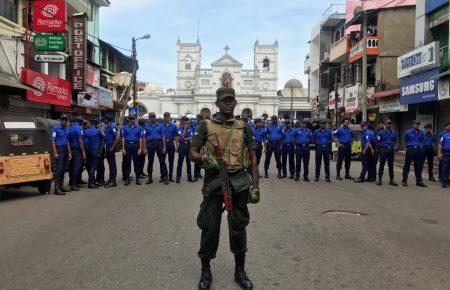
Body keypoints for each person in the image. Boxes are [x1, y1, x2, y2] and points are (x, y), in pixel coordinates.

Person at [189, 87, 260, 290]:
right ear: (217, 103)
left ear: (235, 102)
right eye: (224, 100)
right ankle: (205, 271)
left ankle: (240, 271)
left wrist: (256, 186)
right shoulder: (205, 126)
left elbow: (253, 159)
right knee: (209, 227)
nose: (228, 103)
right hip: (214, 182)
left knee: (238, 227)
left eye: (231, 100)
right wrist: (204, 158)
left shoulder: (243, 126)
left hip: (238, 182)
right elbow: (191, 153)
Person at [142, 113, 168, 185]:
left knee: (162, 161)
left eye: (153, 117)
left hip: (159, 144)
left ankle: (165, 177)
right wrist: (144, 148)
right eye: (151, 117)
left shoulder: (160, 126)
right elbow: (144, 138)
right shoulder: (146, 127)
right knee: (150, 162)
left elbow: (163, 137)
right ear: (150, 118)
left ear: (155, 118)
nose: (152, 118)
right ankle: (150, 178)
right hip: (150, 144)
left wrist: (164, 147)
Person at [402, 120, 427, 187]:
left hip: (418, 150)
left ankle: (418, 181)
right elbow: (405, 140)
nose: (417, 125)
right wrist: (407, 147)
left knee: (418, 166)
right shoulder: (408, 132)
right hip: (410, 149)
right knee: (407, 165)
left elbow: (422, 140)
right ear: (412, 124)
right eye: (416, 124)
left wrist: (421, 147)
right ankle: (404, 181)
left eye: (418, 124)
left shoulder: (421, 132)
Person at [51, 115, 72, 195]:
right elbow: (53, 141)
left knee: (64, 168)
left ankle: (61, 186)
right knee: (59, 169)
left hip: (65, 149)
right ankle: (56, 189)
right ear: (60, 120)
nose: (65, 121)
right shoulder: (55, 128)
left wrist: (69, 152)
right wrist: (55, 152)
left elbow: (67, 142)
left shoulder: (67, 129)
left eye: (66, 120)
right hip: (59, 149)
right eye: (63, 119)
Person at [121, 115, 143, 186]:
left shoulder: (139, 128)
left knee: (136, 162)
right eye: (130, 119)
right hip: (127, 146)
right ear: (129, 120)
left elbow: (140, 138)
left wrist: (140, 148)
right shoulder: (125, 127)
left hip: (135, 146)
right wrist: (123, 148)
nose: (132, 120)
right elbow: (123, 138)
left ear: (135, 120)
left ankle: (137, 179)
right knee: (127, 162)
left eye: (133, 119)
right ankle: (127, 179)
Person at [376, 120, 398, 186]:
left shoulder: (394, 133)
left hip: (391, 150)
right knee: (382, 165)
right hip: (383, 149)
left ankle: (391, 180)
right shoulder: (381, 133)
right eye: (387, 124)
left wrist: (392, 147)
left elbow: (395, 141)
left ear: (391, 125)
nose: (389, 125)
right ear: (385, 125)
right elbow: (378, 141)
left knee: (391, 165)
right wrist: (380, 149)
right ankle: (380, 179)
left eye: (390, 124)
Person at [84, 119, 105, 189]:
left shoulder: (86, 131)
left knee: (89, 166)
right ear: (96, 124)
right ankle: (91, 183)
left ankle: (91, 180)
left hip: (88, 151)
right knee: (93, 166)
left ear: (90, 124)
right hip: (95, 151)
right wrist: (101, 150)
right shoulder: (98, 131)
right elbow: (104, 137)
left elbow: (84, 141)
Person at [68, 117, 85, 191]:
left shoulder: (69, 128)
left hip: (70, 150)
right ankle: (74, 185)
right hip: (77, 150)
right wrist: (83, 151)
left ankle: (72, 182)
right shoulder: (79, 128)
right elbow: (80, 140)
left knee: (71, 167)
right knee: (77, 167)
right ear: (81, 122)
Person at [176, 116, 194, 183]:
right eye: (185, 120)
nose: (186, 121)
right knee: (180, 162)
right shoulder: (179, 128)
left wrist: (186, 138)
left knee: (188, 162)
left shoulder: (189, 128)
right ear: (182, 121)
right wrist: (185, 129)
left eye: (186, 120)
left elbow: (192, 137)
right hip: (182, 146)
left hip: (188, 146)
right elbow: (182, 136)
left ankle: (189, 177)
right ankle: (178, 177)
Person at [103, 116, 119, 188]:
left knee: (112, 164)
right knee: (110, 163)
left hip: (111, 146)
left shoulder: (112, 127)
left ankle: (113, 181)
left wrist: (113, 146)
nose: (103, 121)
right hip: (108, 146)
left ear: (107, 119)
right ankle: (110, 179)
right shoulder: (108, 126)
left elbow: (117, 137)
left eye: (104, 119)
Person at [162, 112, 178, 182]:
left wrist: (177, 146)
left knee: (171, 161)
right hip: (163, 144)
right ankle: (163, 176)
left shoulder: (173, 126)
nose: (166, 118)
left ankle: (170, 176)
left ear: (170, 117)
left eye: (167, 116)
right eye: (165, 116)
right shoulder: (161, 126)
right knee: (162, 161)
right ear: (164, 117)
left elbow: (176, 136)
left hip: (171, 144)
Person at [438, 122, 450, 188]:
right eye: (449, 126)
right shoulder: (444, 135)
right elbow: (440, 145)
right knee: (445, 167)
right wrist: (439, 154)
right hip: (447, 153)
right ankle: (444, 182)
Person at [193, 115, 204, 181]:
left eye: (199, 120)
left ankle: (199, 172)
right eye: (197, 120)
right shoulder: (195, 127)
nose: (197, 121)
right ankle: (195, 175)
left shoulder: (204, 126)